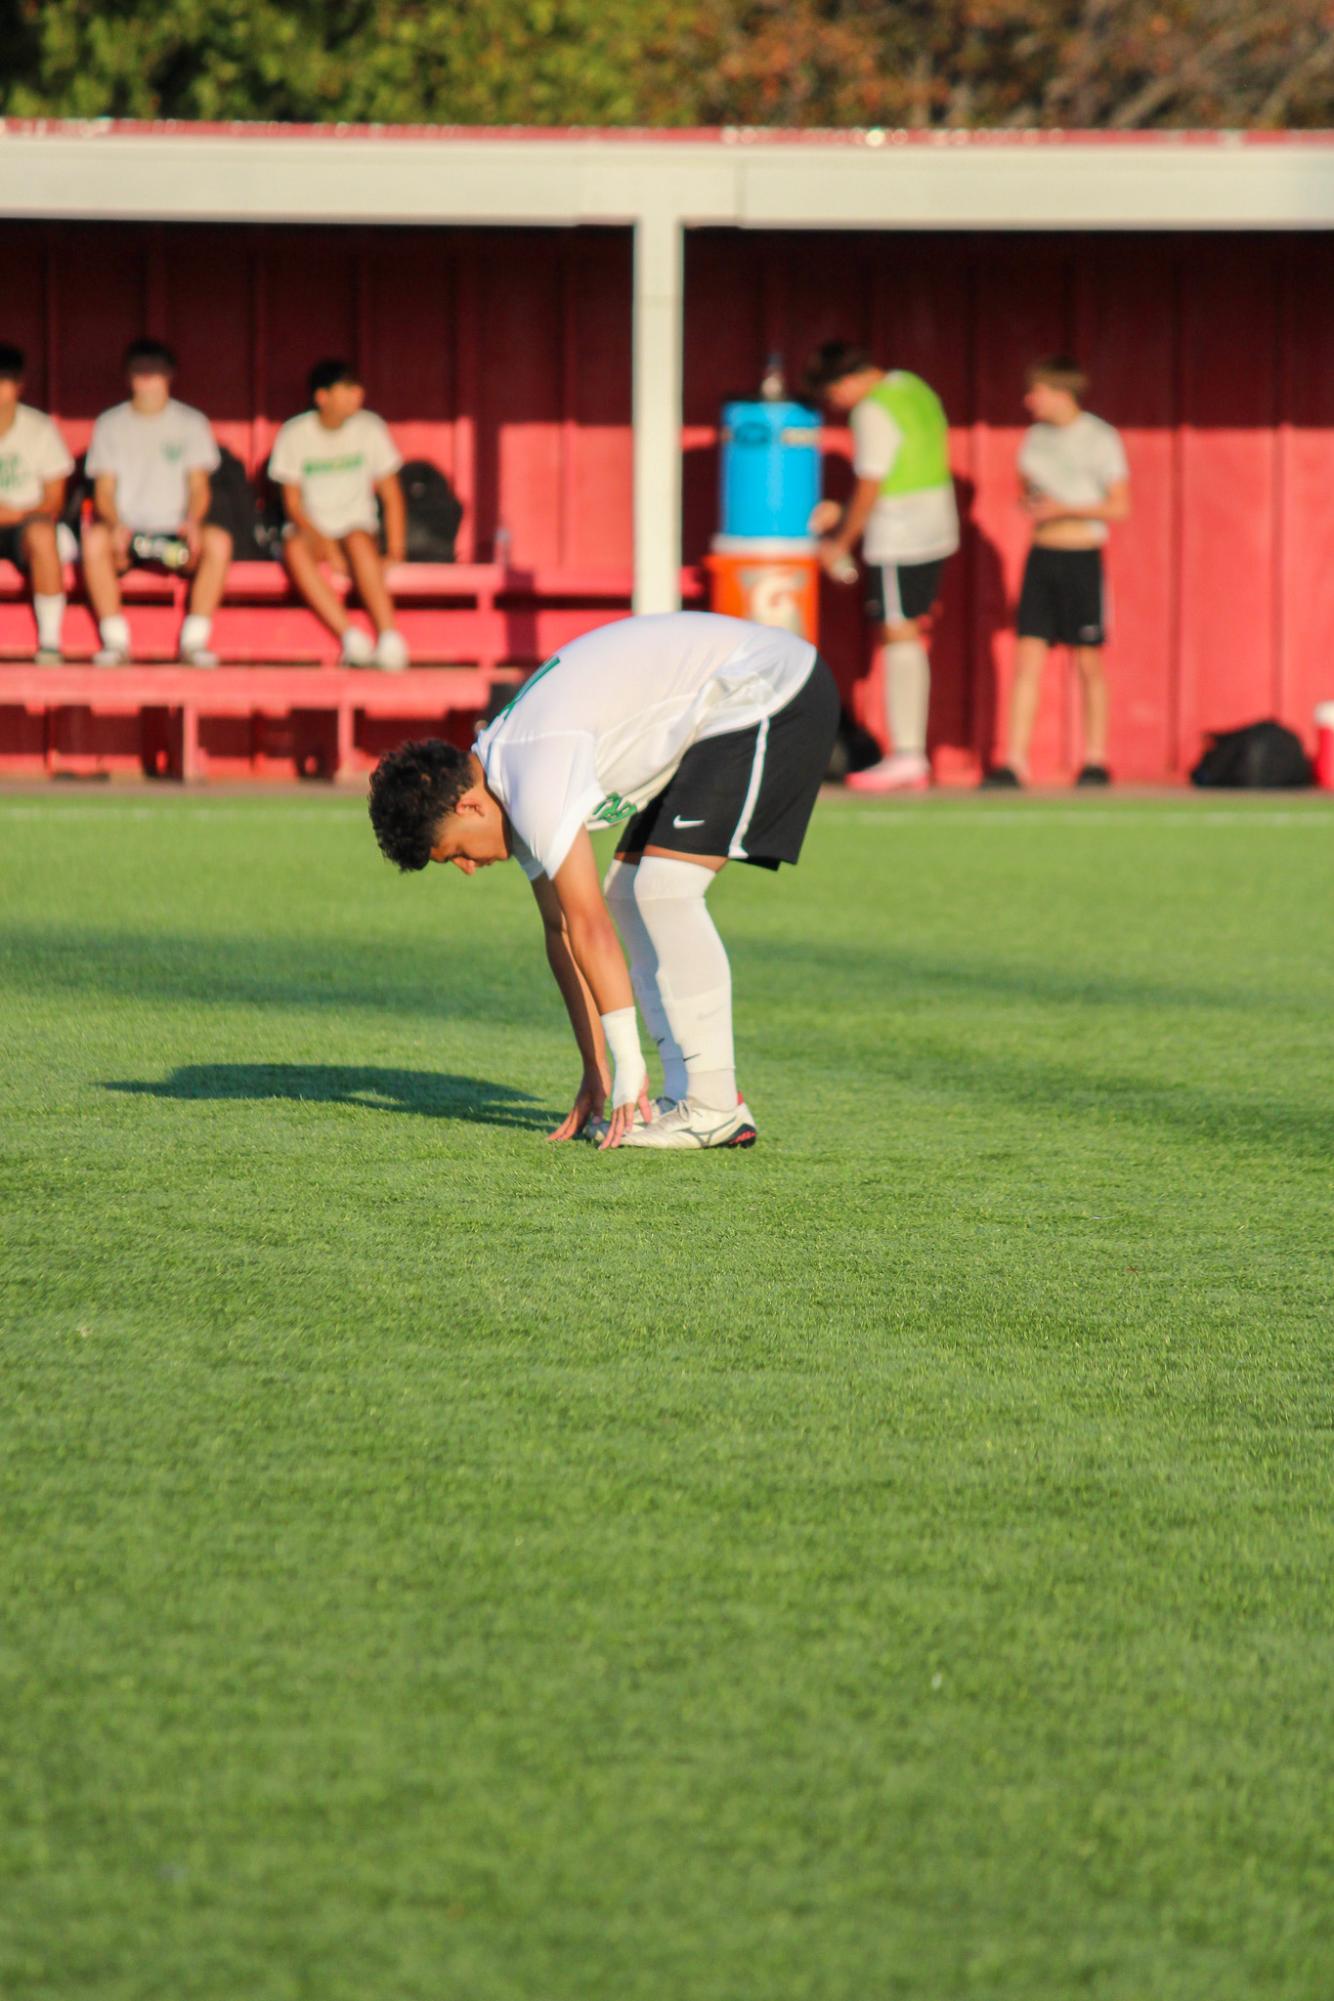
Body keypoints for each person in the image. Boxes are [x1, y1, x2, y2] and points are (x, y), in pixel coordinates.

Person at [367, 611, 840, 1151]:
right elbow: (563, 929)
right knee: (628, 893)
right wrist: (598, 1069)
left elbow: (590, 928)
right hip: (725, 702)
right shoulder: (504, 774)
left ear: (469, 804)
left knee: (664, 890)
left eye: (453, 853)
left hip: (768, 686)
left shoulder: (530, 773)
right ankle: (687, 1098)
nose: (468, 868)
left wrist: (628, 1061)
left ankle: (715, 1105)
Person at [803, 340, 959, 794]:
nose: (838, 407)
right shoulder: (912, 387)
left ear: (845, 381)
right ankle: (909, 754)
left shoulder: (871, 410)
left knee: (897, 632)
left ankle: (907, 754)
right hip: (936, 525)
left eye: (834, 397)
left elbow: (873, 482)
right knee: (905, 628)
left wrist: (840, 542)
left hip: (900, 531)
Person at [982, 356, 1130, 789]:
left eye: (1038, 392)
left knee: (1087, 660)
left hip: (1081, 555)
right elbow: (1029, 490)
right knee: (1028, 655)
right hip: (1042, 555)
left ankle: (1095, 759)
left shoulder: (1099, 438)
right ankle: (1014, 760)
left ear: (1061, 393)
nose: (1030, 401)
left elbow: (1119, 505)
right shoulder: (1035, 439)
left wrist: (1067, 507)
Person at [82, 337, 232, 667]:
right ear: (127, 376)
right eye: (140, 372)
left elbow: (199, 486)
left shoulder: (191, 423)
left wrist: (193, 522)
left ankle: (195, 641)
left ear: (169, 375)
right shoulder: (111, 424)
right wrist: (115, 524)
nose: (147, 380)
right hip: (128, 532)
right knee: (93, 542)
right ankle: (115, 641)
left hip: (175, 533)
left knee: (218, 542)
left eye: (155, 372)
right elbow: (104, 490)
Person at [267, 359, 409, 670]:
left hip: (358, 531)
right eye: (347, 388)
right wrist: (325, 544)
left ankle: (389, 637)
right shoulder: (295, 434)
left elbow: (391, 495)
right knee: (293, 548)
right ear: (322, 396)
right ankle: (351, 637)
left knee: (358, 542)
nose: (357, 395)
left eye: (357, 388)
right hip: (313, 532)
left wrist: (396, 551)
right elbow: (293, 505)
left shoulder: (370, 428)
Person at [0, 343, 75, 664]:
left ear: (19, 385)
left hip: (24, 527)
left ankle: (50, 641)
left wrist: (14, 513)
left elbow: (54, 499)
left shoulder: (39, 428)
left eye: (4, 380)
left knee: (44, 535)